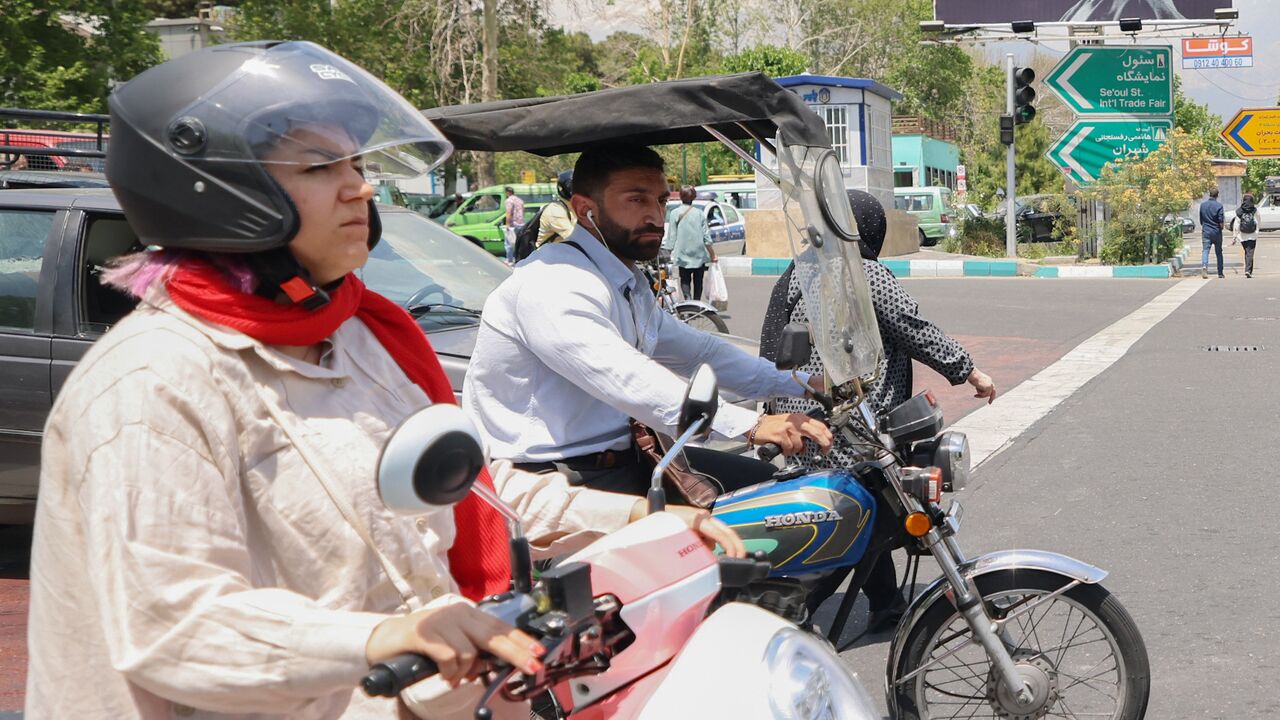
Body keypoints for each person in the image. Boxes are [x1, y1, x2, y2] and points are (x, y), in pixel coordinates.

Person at [25, 42, 742, 720]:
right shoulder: (156, 382)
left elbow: (471, 487)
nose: (359, 187)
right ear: (218, 192)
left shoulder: (359, 337)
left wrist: (639, 518)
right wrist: (378, 638)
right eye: (319, 168)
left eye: (356, 162)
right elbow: (171, 620)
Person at [463, 143, 832, 497]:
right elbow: (623, 375)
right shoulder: (555, 280)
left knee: (779, 492)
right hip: (553, 478)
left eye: (660, 201)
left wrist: (801, 383)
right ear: (584, 208)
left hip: (623, 459)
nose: (656, 217)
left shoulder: (623, 280)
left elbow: (699, 352)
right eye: (636, 200)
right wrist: (749, 425)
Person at [760, 189, 997, 632]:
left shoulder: (797, 272)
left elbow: (770, 344)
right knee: (854, 512)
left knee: (865, 509)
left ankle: (885, 601)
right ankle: (794, 613)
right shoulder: (864, 273)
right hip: (850, 422)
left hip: (799, 419)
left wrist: (773, 410)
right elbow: (912, 328)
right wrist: (970, 372)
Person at [667, 186, 716, 301]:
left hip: (682, 253)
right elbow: (706, 237)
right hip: (699, 254)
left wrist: (668, 253)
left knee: (684, 279)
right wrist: (713, 254)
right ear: (694, 197)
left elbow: (671, 237)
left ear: (680, 196)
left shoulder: (675, 213)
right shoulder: (699, 214)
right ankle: (697, 303)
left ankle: (688, 302)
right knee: (698, 281)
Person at [536, 170, 577, 247]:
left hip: (566, 253)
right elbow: (573, 238)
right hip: (547, 256)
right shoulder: (555, 211)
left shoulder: (575, 207)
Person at [1230, 192, 1259, 279]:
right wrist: (1257, 232)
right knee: (1250, 252)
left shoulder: (1239, 211)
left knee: (1247, 251)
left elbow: (1236, 224)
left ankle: (1248, 269)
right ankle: (1248, 270)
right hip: (1253, 234)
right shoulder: (1255, 210)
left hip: (1242, 235)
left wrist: (1235, 236)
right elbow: (1258, 222)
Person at [1199, 187, 1226, 279]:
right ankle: (1220, 272)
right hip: (1216, 232)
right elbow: (1221, 220)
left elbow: (1201, 220)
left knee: (1205, 250)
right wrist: (1221, 228)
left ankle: (1204, 267)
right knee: (1219, 252)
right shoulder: (1219, 206)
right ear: (1217, 195)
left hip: (1206, 231)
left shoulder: (1203, 205)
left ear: (1209, 194)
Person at [502, 186, 525, 263]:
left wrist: (507, 224)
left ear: (507, 192)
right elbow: (523, 211)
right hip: (521, 224)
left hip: (513, 225)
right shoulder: (520, 200)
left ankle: (509, 259)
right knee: (518, 243)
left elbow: (509, 213)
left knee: (509, 243)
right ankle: (519, 259)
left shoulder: (509, 201)